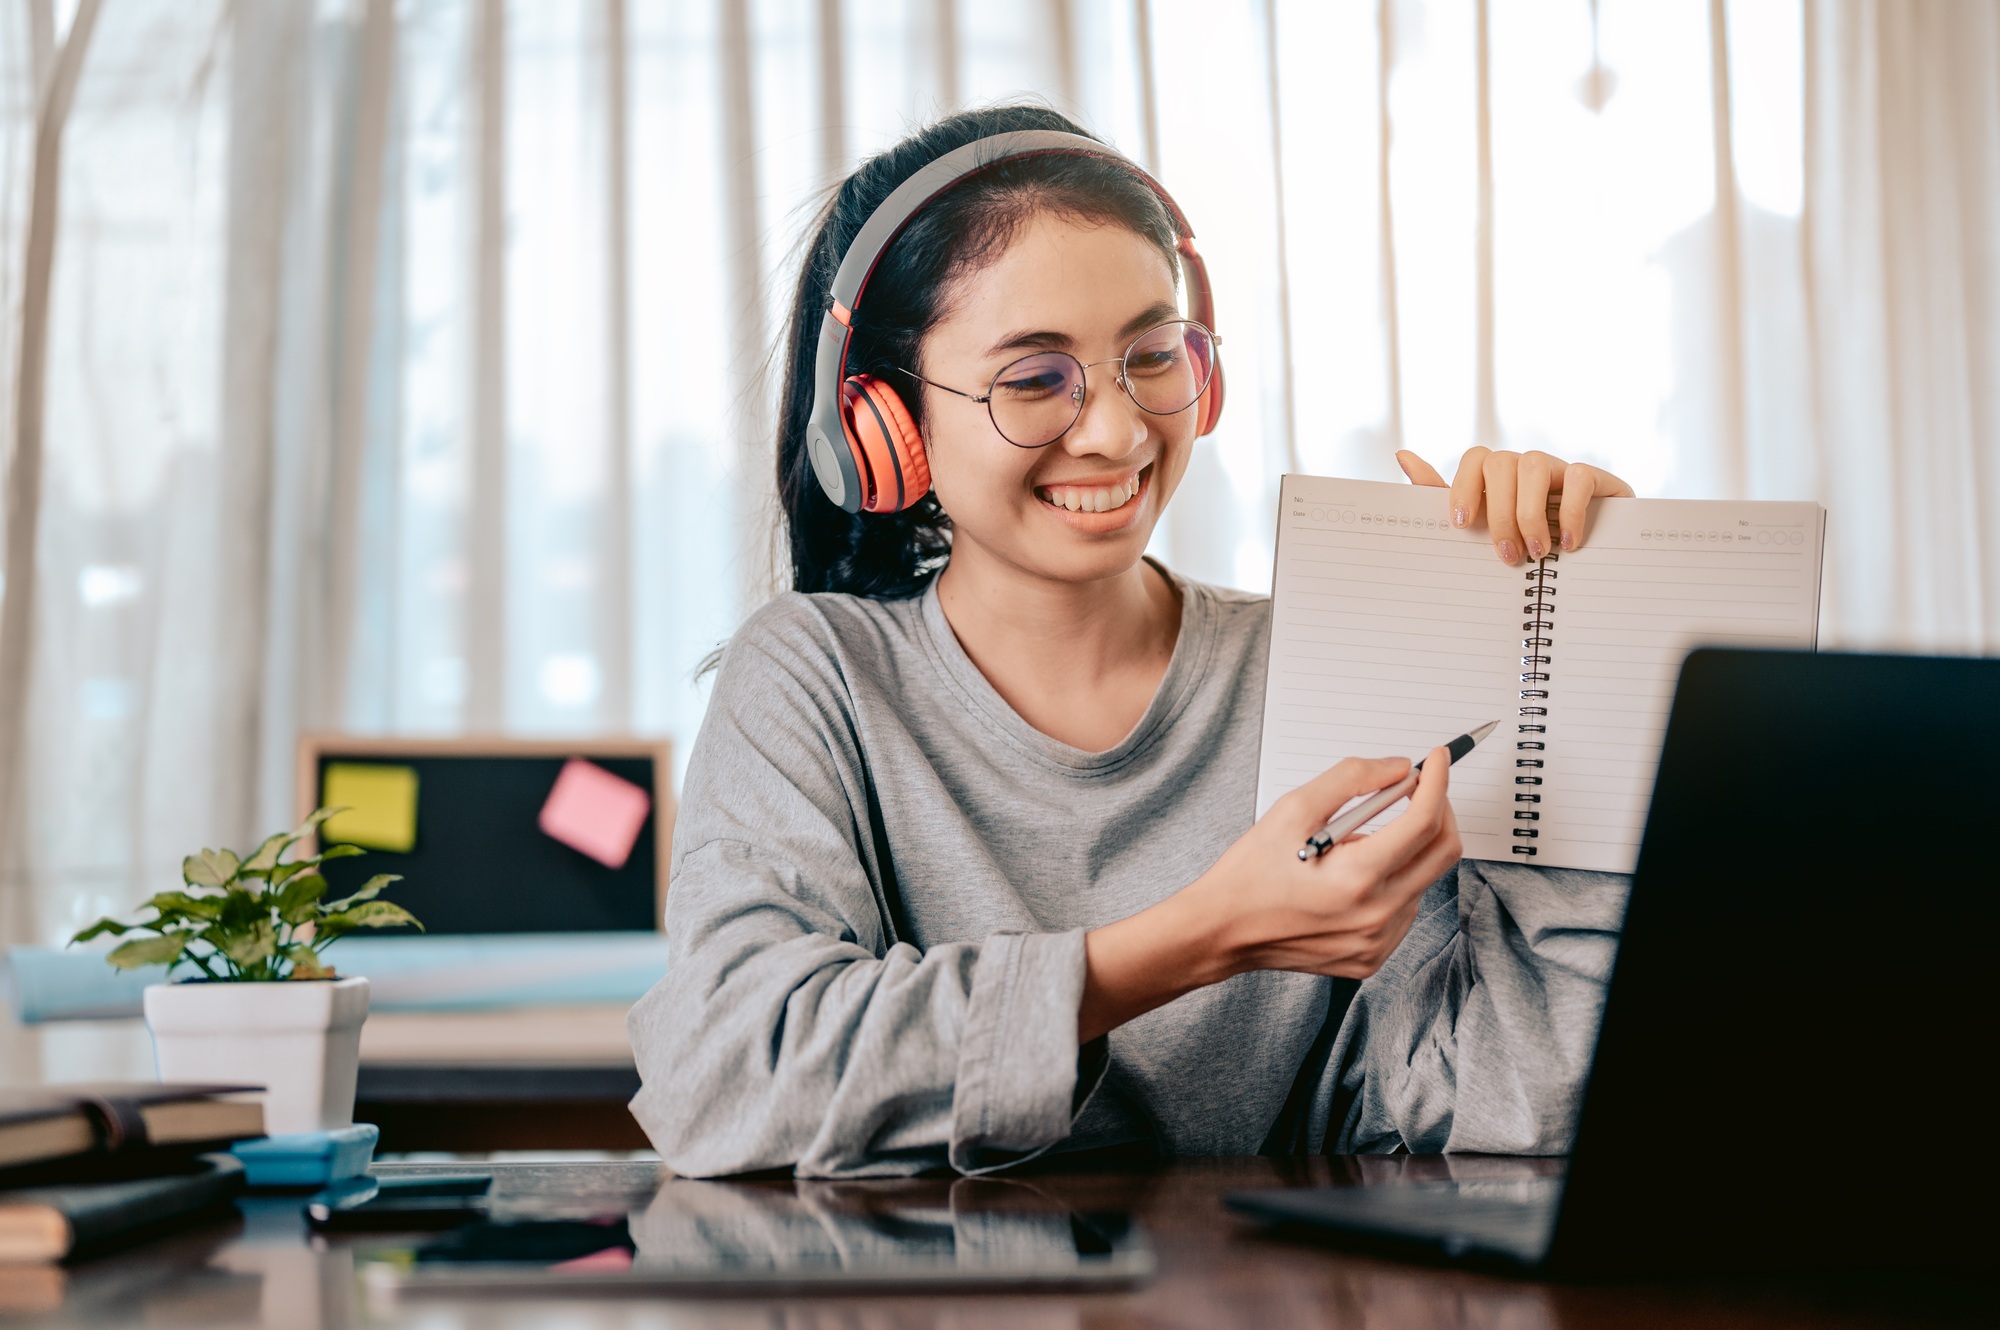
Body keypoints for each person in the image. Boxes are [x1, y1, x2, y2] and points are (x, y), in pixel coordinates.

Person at [628, 106, 1634, 1178]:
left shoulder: (1323, 669)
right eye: (1031, 379)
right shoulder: (815, 674)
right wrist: (1201, 935)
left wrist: (1572, 651)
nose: (1114, 432)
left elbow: (1532, 1097)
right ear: (883, 421)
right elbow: (729, 1072)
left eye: (1152, 356)